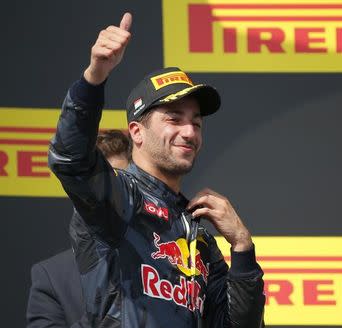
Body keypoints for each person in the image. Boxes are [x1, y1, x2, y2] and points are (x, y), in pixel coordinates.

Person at [47, 12, 265, 328]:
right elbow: (70, 160)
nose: (189, 132)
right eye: (174, 119)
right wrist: (94, 78)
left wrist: (243, 247)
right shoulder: (120, 199)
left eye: (196, 122)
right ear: (136, 132)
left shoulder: (199, 234)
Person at [26, 130, 131, 328]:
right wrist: (113, 310)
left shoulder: (165, 262)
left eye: (117, 182)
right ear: (76, 191)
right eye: (96, 185)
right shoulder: (51, 277)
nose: (108, 194)